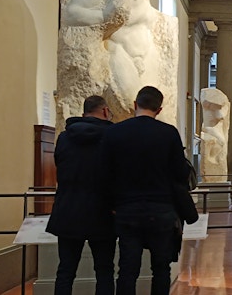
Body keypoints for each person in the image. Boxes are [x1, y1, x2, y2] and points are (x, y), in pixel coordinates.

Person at [100, 86, 193, 295]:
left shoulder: (114, 132)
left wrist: (112, 205)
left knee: (127, 269)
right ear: (159, 110)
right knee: (161, 268)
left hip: (127, 209)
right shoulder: (168, 133)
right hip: (161, 209)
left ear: (135, 104)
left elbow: (104, 174)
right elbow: (180, 173)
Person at [46, 95, 116, 295]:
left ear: (84, 112)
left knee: (66, 270)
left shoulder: (64, 137)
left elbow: (60, 165)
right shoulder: (111, 137)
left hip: (68, 209)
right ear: (105, 111)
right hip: (102, 211)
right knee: (104, 270)